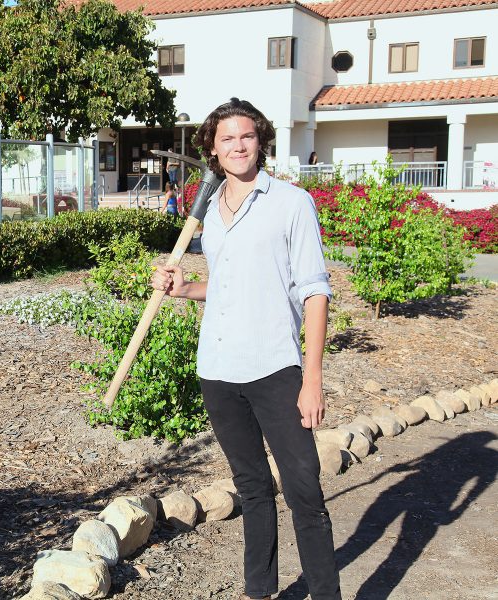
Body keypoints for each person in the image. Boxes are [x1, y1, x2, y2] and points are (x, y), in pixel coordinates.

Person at [151, 98, 340, 600]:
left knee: (304, 491)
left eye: (246, 136)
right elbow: (228, 284)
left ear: (261, 142)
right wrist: (183, 288)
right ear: (213, 148)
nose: (238, 146)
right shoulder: (209, 211)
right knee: (253, 490)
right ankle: (260, 591)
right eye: (227, 138)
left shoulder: (291, 202)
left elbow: (314, 289)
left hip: (276, 366)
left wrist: (313, 377)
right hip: (218, 368)